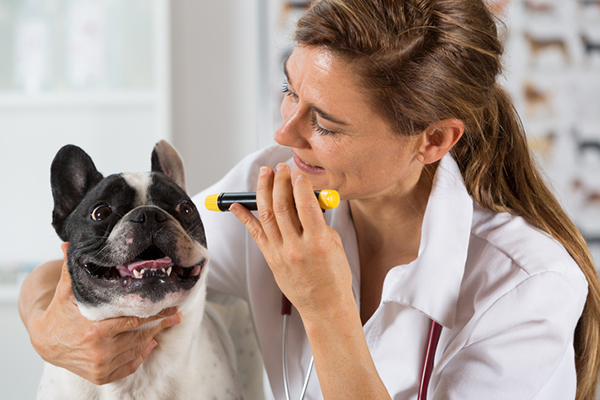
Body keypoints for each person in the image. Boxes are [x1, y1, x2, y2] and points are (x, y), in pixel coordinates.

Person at [18, 0, 600, 399]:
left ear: (433, 139)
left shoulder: (528, 287)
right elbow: (80, 263)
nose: (284, 135)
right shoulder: (270, 183)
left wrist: (325, 307)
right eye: (288, 93)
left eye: (324, 121)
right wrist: (48, 326)